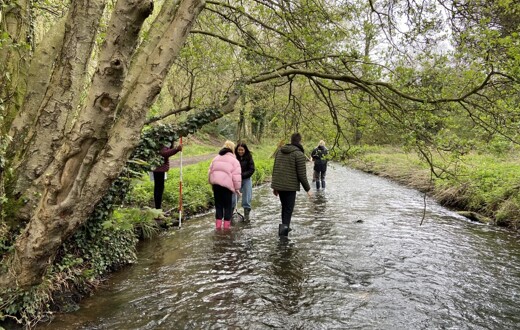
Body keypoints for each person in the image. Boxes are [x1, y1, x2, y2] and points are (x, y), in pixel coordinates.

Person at [271, 132, 312, 237]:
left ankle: (285, 228)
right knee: (288, 209)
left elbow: (275, 169)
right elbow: (302, 174)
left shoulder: (280, 151)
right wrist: (308, 189)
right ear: (300, 141)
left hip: (280, 185)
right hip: (290, 186)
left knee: (284, 207)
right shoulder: (298, 154)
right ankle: (283, 234)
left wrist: (275, 186)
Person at [208, 140, 242, 230]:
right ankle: (226, 230)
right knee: (228, 207)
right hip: (227, 187)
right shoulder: (234, 161)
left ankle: (218, 228)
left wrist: (211, 183)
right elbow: (236, 177)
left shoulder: (215, 158)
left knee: (218, 207)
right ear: (232, 149)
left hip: (216, 186)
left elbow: (210, 171)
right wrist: (237, 188)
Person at [152, 140, 182, 210]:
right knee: (159, 189)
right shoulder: (163, 140)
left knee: (158, 188)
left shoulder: (161, 139)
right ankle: (158, 210)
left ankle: (158, 209)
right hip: (159, 168)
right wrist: (176, 149)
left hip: (158, 167)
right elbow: (164, 153)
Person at [234, 142, 255, 221]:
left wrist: (242, 175)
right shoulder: (234, 157)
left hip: (246, 179)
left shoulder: (249, 157)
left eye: (242, 150)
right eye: (239, 150)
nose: (240, 152)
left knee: (246, 198)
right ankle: (230, 215)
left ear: (245, 150)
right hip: (236, 180)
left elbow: (252, 169)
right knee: (233, 198)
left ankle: (246, 216)